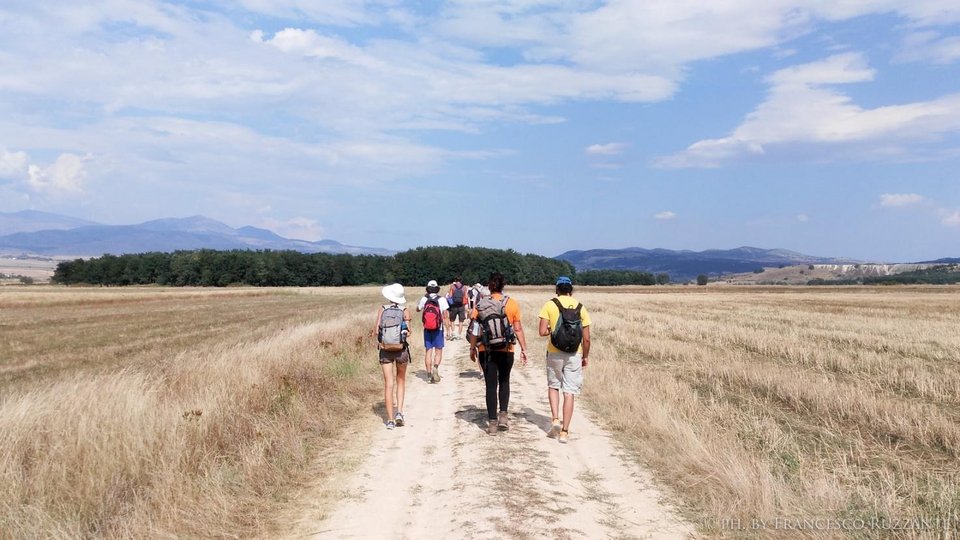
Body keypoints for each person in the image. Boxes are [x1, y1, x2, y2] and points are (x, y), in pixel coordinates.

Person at [468, 272, 528, 436]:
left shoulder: (480, 304)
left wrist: (472, 348)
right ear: (503, 286)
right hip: (506, 349)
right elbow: (517, 329)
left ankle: (492, 423)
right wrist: (523, 348)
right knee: (505, 381)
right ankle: (503, 416)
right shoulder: (512, 304)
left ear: (489, 286)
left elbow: (474, 330)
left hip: (486, 351)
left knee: (490, 385)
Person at [537, 276, 592, 443]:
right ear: (571, 290)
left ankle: (555, 419)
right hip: (575, 354)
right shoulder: (581, 307)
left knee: (554, 386)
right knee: (569, 392)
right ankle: (565, 432)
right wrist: (585, 356)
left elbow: (541, 332)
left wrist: (552, 330)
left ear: (557, 289)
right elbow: (587, 338)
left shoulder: (550, 304)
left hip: (554, 352)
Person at [375, 283, 412, 429]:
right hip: (401, 350)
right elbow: (408, 332)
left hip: (385, 350)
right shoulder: (405, 310)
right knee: (401, 381)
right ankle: (399, 413)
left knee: (388, 384)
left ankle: (389, 420)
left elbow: (377, 329)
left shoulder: (382, 309)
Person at [416, 279, 449, 383]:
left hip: (427, 328)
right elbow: (445, 315)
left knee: (428, 351)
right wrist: (448, 329)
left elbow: (418, 309)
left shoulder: (424, 299)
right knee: (438, 351)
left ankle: (429, 375)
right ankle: (435, 367)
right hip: (438, 328)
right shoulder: (442, 299)